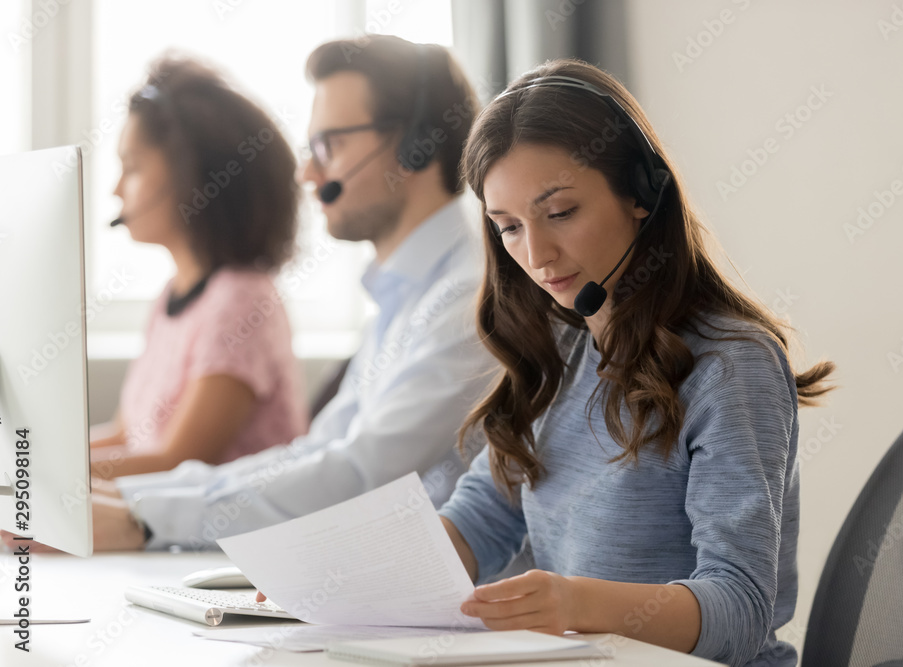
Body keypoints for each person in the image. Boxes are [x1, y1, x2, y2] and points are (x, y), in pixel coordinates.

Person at [1, 35, 496, 553]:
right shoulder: (403, 296)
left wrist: (140, 515)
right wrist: (127, 499)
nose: (309, 173)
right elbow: (320, 451)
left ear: (416, 144)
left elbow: (363, 473)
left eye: (331, 145)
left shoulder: (468, 300)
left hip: (435, 591)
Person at [435, 60, 836, 666]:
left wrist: (574, 605)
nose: (537, 255)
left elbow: (742, 607)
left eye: (561, 212)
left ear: (640, 195)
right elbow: (484, 517)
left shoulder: (731, 365)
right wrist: (354, 577)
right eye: (509, 227)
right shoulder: (564, 350)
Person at [89, 57, 308, 479]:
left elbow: (176, 461)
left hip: (220, 541)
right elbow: (127, 435)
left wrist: (30, 478)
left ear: (191, 175)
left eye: (131, 168)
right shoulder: (173, 294)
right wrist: (24, 465)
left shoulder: (241, 300)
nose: (116, 189)